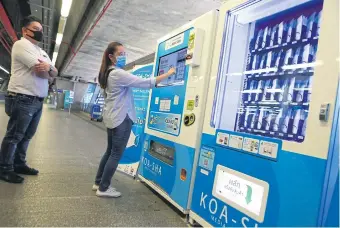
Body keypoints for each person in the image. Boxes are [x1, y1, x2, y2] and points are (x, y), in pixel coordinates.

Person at [93, 42, 175, 198]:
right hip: (121, 118)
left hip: (112, 118)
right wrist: (169, 73)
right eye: (121, 54)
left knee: (110, 151)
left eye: (125, 54)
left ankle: (98, 182)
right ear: (111, 57)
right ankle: (103, 188)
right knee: (116, 154)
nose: (124, 57)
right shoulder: (117, 73)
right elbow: (144, 83)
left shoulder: (106, 73)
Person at [0, 16, 58, 183]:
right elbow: (42, 73)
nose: (40, 32)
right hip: (23, 98)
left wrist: (51, 70)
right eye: (36, 29)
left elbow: (55, 72)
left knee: (27, 135)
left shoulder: (42, 52)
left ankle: (18, 163)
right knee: (15, 135)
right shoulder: (21, 45)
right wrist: (50, 72)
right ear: (25, 31)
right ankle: (4, 168)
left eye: (41, 29)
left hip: (37, 100)